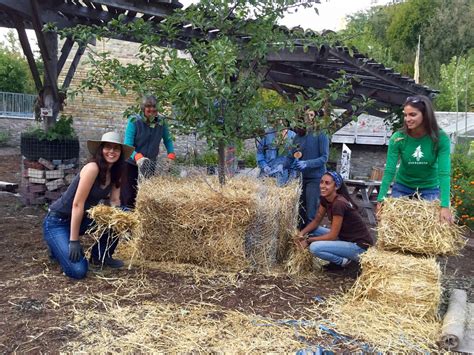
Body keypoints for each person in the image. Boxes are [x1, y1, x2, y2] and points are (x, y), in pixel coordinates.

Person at [43, 132, 134, 279]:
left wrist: (122, 222)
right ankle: (57, 247)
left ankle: (100, 257)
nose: (112, 151)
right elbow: (77, 204)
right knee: (78, 271)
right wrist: (74, 241)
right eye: (108, 147)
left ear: (120, 152)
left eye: (116, 148)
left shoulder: (117, 171)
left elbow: (115, 201)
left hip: (82, 219)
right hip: (58, 221)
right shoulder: (93, 168)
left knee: (121, 213)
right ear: (101, 149)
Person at [376, 95, 453, 223]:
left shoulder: (441, 138)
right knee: (395, 225)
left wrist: (445, 205)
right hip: (403, 186)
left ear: (425, 115)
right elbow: (389, 171)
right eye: (405, 115)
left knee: (428, 227)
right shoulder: (398, 138)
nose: (407, 119)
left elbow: (444, 173)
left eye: (412, 115)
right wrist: (381, 200)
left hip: (429, 187)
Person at [296, 171, 374, 270]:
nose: (322, 186)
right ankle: (340, 256)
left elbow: (332, 235)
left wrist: (308, 241)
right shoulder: (326, 199)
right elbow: (316, 221)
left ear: (336, 187)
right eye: (321, 182)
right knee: (312, 230)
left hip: (359, 247)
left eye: (327, 183)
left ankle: (344, 262)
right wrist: (301, 234)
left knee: (314, 247)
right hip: (344, 238)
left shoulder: (339, 204)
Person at [121, 95, 176, 208]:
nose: (152, 110)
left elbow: (168, 140)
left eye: (154, 107)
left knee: (145, 195)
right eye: (148, 107)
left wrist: (171, 155)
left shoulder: (161, 122)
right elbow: (127, 145)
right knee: (130, 195)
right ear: (143, 109)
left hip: (149, 164)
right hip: (131, 164)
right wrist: (137, 157)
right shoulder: (134, 121)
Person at [292, 109, 330, 228]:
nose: (308, 117)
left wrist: (307, 163)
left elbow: (324, 158)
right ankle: (299, 240)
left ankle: (310, 241)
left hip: (315, 178)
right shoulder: (298, 136)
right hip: (301, 178)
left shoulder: (321, 134)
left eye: (311, 115)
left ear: (316, 117)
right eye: (306, 115)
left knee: (311, 213)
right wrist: (289, 163)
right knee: (300, 212)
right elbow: (293, 155)